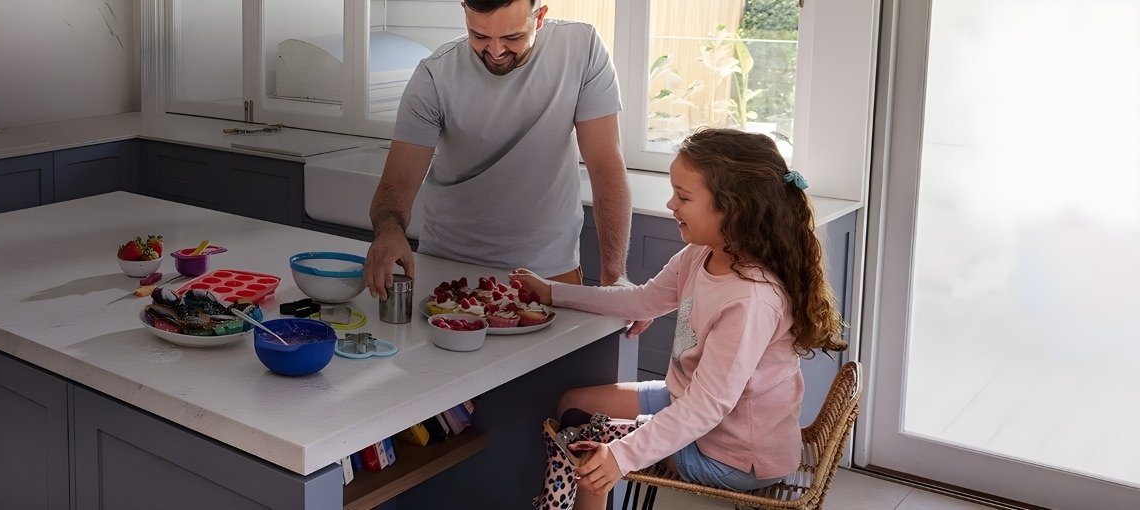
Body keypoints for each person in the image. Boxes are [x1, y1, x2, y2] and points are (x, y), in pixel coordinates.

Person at [510, 128, 850, 510]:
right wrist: (553, 292)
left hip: (735, 456)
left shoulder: (751, 299)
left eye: (684, 196)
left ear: (733, 208)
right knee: (573, 404)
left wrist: (622, 455)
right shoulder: (700, 255)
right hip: (690, 406)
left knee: (590, 451)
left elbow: (707, 407)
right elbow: (642, 300)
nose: (671, 204)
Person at [363, 0, 634, 302]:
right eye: (479, 36)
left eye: (512, 37)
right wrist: (388, 230)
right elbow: (397, 183)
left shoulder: (582, 50)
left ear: (540, 17)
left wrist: (615, 273)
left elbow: (605, 165)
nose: (495, 51)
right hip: (449, 268)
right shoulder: (434, 75)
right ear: (464, 12)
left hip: (550, 272)